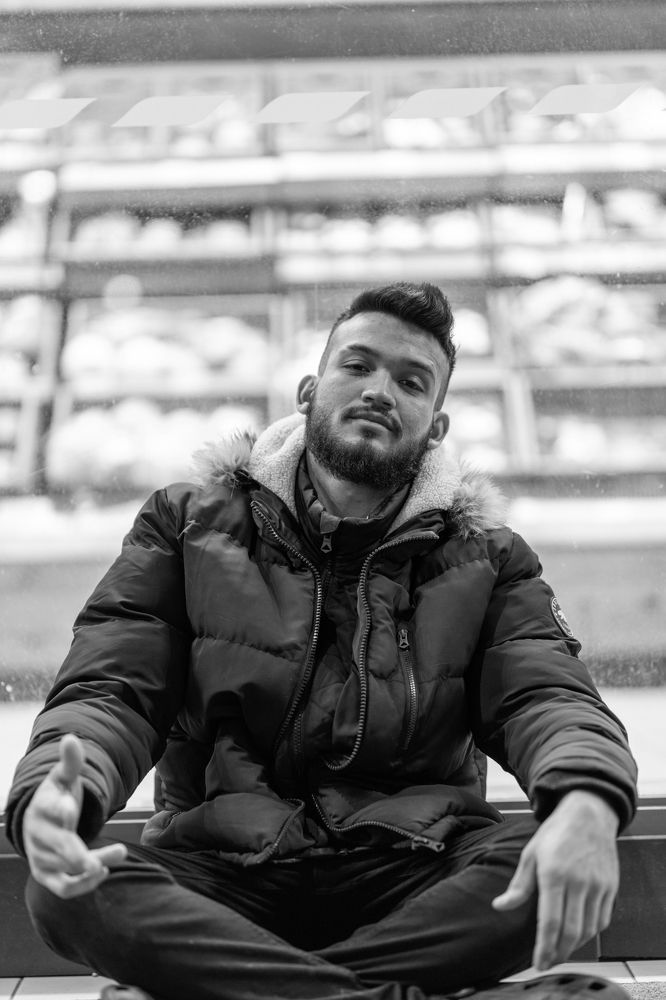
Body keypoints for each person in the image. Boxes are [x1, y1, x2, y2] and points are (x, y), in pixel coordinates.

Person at [7, 282, 637, 1000]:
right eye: (358, 366)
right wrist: (58, 795)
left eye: (411, 382)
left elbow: (546, 694)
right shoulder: (189, 524)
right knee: (66, 891)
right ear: (309, 391)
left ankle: (242, 991)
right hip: (223, 872)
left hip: (412, 868)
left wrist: (586, 801)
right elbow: (114, 688)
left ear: (435, 427)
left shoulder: (487, 558)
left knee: (543, 858)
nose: (379, 391)